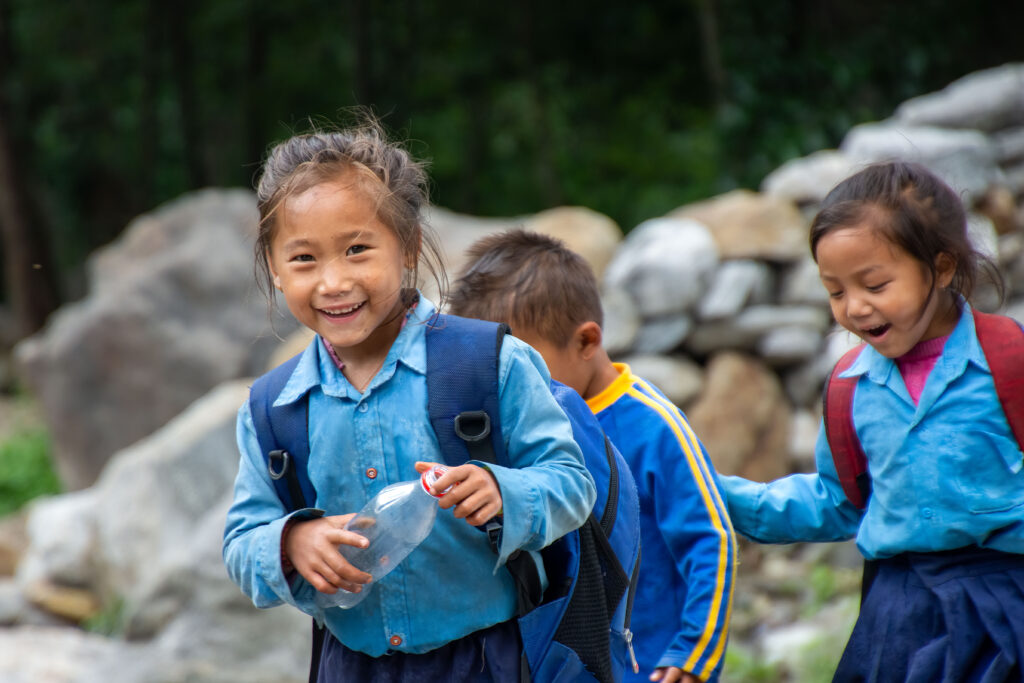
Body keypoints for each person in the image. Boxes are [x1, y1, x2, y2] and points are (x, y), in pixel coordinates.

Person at [222, 118, 596, 682]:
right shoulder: (275, 410)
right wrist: (290, 541)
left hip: (488, 658)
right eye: (303, 260)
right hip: (350, 665)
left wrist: (504, 489)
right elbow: (241, 541)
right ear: (275, 270)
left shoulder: (488, 365)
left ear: (409, 248)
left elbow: (572, 483)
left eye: (356, 249)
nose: (333, 282)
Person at [718, 161, 1024, 682]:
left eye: (875, 284)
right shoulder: (849, 388)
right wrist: (715, 495)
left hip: (1008, 603)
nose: (855, 308)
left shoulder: (1009, 361)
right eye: (835, 292)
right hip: (900, 614)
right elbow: (840, 504)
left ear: (943, 267)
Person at [448, 229, 736, 683]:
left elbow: (710, 539)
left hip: (655, 663)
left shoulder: (652, 425)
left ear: (586, 342)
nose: (509, 388)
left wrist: (694, 653)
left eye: (523, 368)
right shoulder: (515, 428)